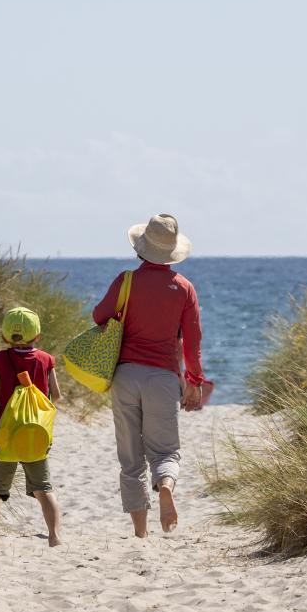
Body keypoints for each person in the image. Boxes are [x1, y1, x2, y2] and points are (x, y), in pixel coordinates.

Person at [92, 214, 207, 538]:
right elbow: (193, 343)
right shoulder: (184, 288)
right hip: (163, 379)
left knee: (131, 460)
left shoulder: (126, 280)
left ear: (141, 248)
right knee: (165, 451)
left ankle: (141, 532)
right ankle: (165, 485)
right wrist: (195, 383)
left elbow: (99, 315)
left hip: (126, 376)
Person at [0, 306, 63, 547]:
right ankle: (54, 536)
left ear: (5, 336)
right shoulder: (46, 359)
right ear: (38, 335)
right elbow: (56, 395)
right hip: (35, 431)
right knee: (44, 488)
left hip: (5, 431)